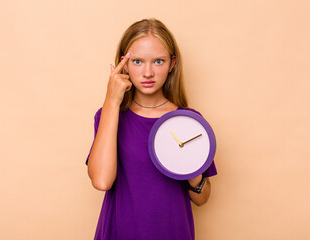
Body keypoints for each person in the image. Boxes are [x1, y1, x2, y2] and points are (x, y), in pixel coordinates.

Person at [86, 18, 217, 240]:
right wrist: (112, 100)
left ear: (172, 64)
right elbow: (101, 181)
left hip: (172, 232)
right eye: (137, 61)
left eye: (158, 61)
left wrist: (192, 169)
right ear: (123, 64)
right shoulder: (109, 115)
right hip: (120, 232)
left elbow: (202, 198)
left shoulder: (189, 121)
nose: (148, 73)